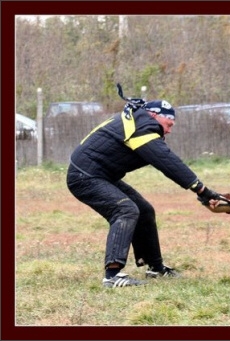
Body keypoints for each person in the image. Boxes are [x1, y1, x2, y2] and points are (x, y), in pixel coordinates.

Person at [66, 97, 221, 288]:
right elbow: (166, 161)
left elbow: (164, 158)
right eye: (168, 124)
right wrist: (202, 190)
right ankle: (112, 276)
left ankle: (155, 268)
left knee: (144, 211)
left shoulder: (138, 121)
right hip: (85, 177)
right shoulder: (142, 126)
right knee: (125, 210)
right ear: (155, 116)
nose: (169, 130)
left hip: (99, 175)